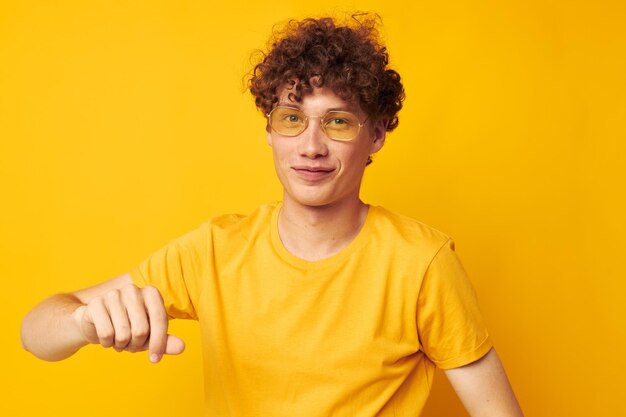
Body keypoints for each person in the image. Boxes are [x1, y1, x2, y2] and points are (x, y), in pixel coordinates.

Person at [21, 14, 523, 417]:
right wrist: (85, 323)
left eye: (339, 121)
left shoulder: (422, 263)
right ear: (270, 131)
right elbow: (35, 333)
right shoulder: (214, 250)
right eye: (291, 118)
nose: (311, 146)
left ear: (376, 136)